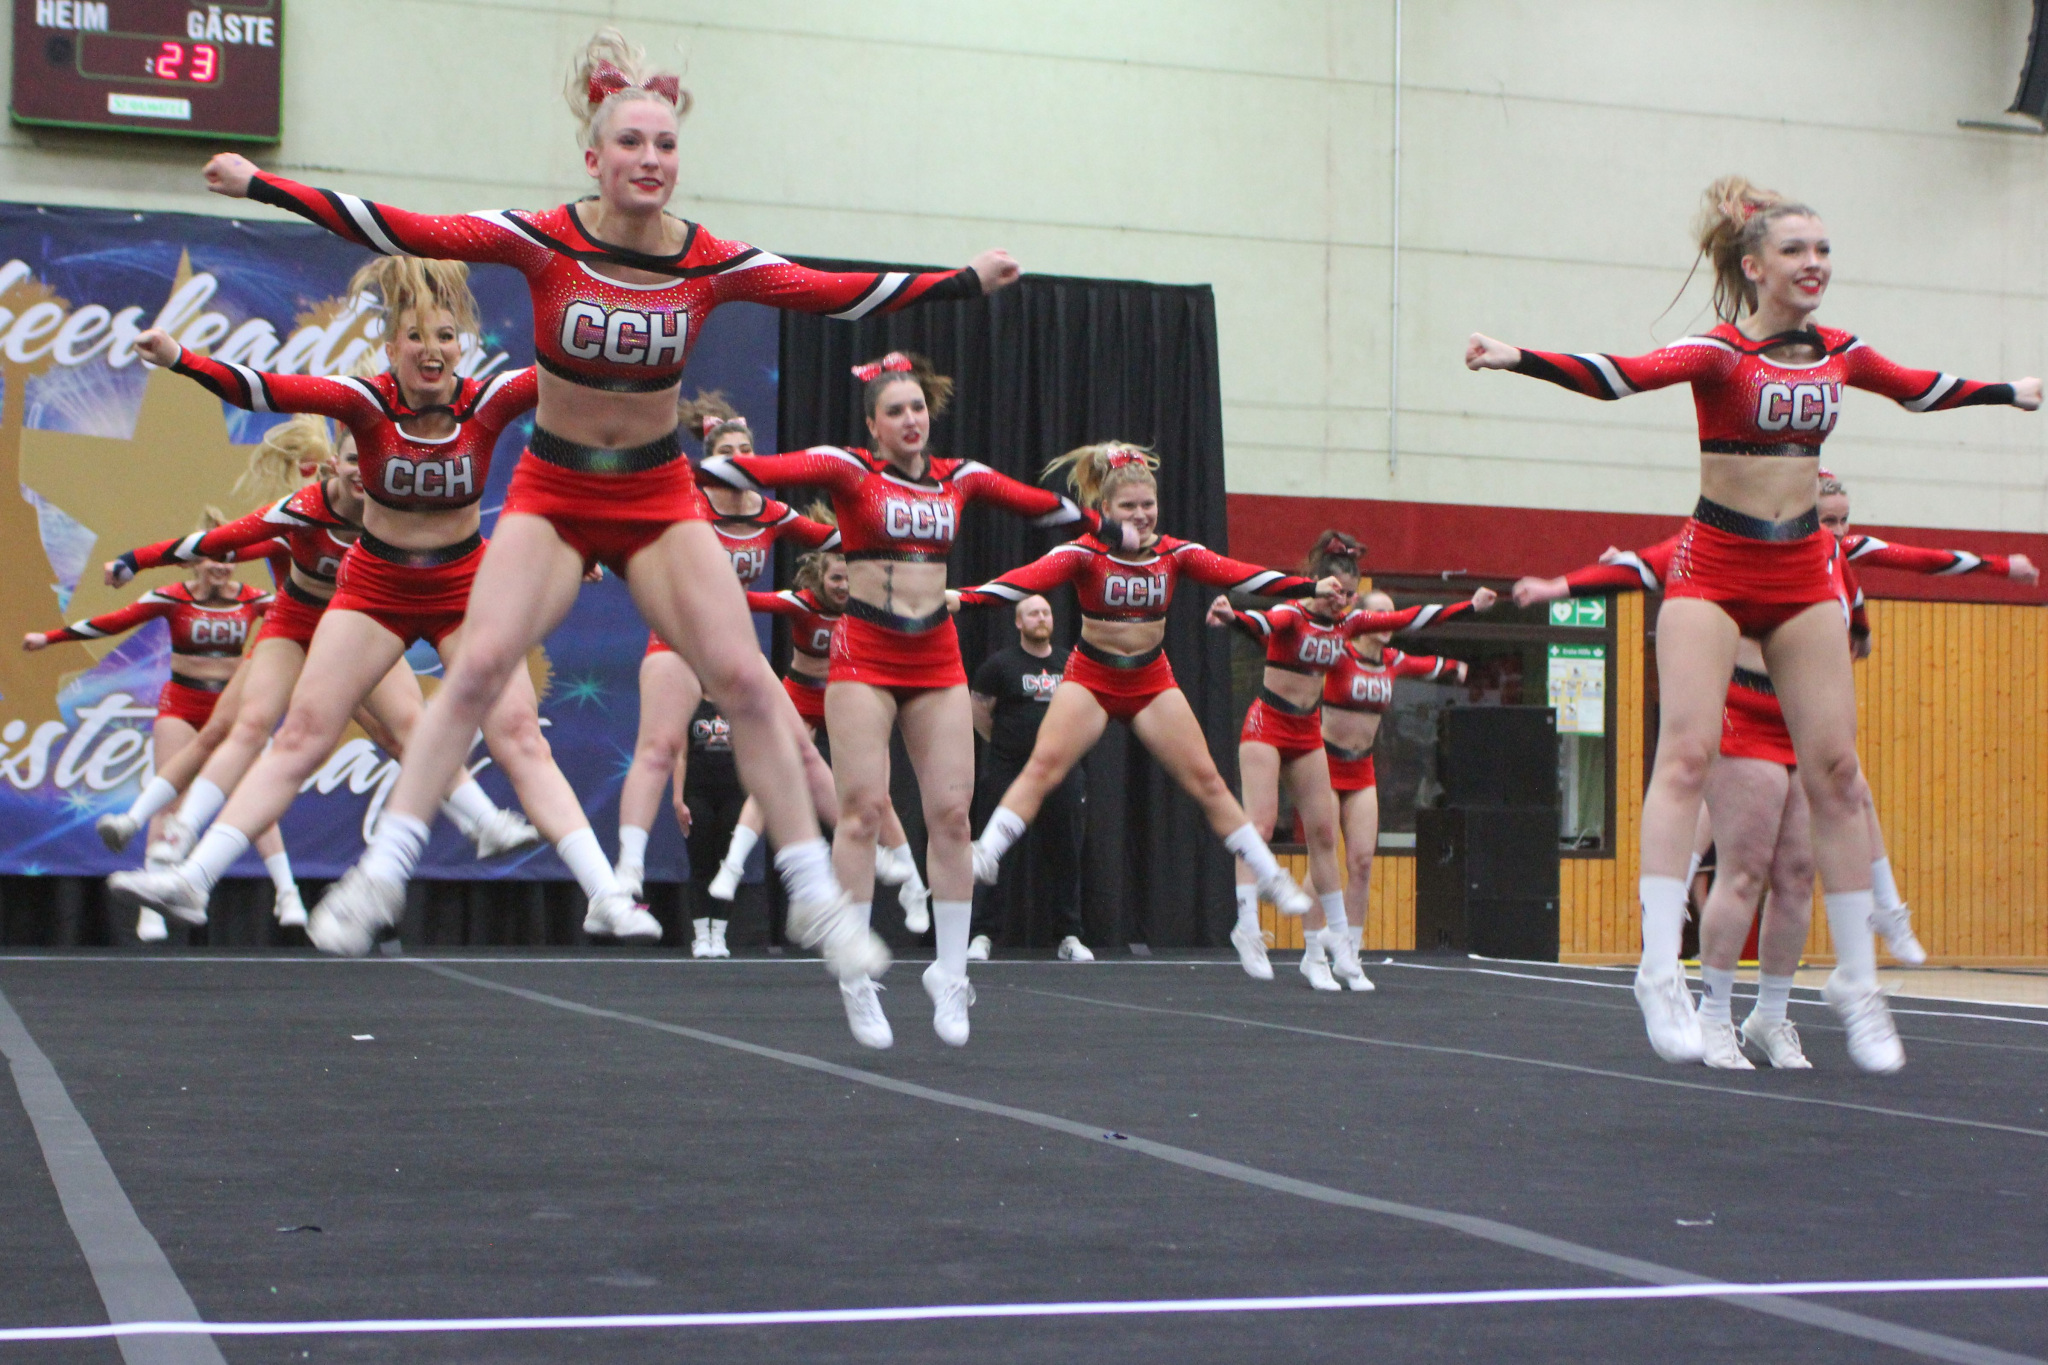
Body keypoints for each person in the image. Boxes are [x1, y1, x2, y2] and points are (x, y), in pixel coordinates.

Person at [208, 30, 1020, 984]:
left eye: (666, 144)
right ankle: (380, 873)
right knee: (478, 670)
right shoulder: (545, 237)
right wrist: (264, 186)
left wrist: (961, 281)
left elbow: (834, 293)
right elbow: (404, 227)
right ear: (593, 158)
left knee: (744, 678)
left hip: (653, 490)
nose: (650, 159)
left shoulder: (708, 258)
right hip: (556, 489)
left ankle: (813, 890)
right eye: (631, 142)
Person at [1466, 174, 2039, 1072]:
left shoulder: (1841, 351)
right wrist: (1518, 357)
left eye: (1824, 250)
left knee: (1840, 772)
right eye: (1795, 250)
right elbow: (1619, 377)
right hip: (1716, 563)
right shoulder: (1719, 352)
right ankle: (1661, 967)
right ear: (1753, 267)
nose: (1815, 264)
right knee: (1685, 755)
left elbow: (1920, 389)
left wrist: (2008, 390)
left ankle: (1857, 980)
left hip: (1800, 567)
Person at [108, 258, 632, 942]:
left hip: (463, 588)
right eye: (415, 337)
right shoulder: (364, 402)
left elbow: (584, 367)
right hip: (376, 588)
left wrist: (634, 297)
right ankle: (192, 878)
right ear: (391, 348)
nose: (431, 351)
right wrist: (180, 358)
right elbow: (265, 389)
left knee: (520, 737)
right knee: (301, 733)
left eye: (445, 336)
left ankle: (606, 893)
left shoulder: (490, 400)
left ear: (462, 347)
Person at [701, 353, 1098, 1049]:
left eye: (917, 407)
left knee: (952, 816)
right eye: (895, 411)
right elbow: (757, 470)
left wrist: (1105, 525)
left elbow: (1039, 505)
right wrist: (678, 471)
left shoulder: (959, 477)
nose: (911, 419)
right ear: (873, 426)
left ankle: (950, 973)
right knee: (861, 812)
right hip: (865, 651)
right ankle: (857, 978)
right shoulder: (848, 469)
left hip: (935, 653)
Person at [953, 442, 1332, 984]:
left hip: (1150, 678)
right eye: (1128, 507)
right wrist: (964, 598)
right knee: (1042, 768)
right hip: (1092, 674)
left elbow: (1242, 576)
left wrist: (1309, 587)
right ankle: (987, 852)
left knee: (1207, 781)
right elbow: (1023, 580)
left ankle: (1267, 873)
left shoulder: (1176, 554)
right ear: (1106, 511)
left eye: (1147, 505)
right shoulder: (1085, 553)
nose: (1140, 516)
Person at [611, 399, 871, 923]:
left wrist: (886, 536)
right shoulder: (687, 500)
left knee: (799, 747)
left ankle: (868, 843)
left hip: (732, 647)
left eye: (746, 450)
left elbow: (831, 538)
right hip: (678, 638)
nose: (738, 458)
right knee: (658, 748)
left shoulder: (767, 510)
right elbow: (625, 513)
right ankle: (626, 874)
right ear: (710, 461)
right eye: (726, 451)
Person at [1212, 532, 1495, 986]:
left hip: (1314, 738)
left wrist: (1469, 607)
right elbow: (1264, 622)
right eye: (1334, 592)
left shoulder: (1350, 627)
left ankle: (1343, 945)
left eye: (1347, 595)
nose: (1339, 602)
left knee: (1330, 841)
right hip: (1270, 723)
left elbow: (1410, 619)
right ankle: (1249, 926)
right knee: (1259, 827)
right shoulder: (1296, 613)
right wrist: (1233, 617)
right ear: (1316, 584)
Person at [21, 512, 302, 938]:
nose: (221, 568)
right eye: (212, 560)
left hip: (230, 707)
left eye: (228, 561)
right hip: (182, 704)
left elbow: (297, 617)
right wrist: (51, 638)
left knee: (255, 798)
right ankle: (151, 909)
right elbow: (115, 620)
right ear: (194, 563)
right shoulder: (171, 598)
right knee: (169, 799)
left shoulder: (253, 599)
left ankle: (287, 893)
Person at [715, 538, 933, 935]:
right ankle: (732, 866)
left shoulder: (868, 607)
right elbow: (754, 601)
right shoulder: (802, 604)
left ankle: (914, 889)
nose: (844, 586)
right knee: (775, 778)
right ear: (820, 577)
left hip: (849, 697)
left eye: (849, 578)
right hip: (801, 696)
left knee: (877, 799)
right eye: (835, 578)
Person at [1312, 591, 1467, 991]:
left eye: (1392, 615)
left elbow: (1428, 665)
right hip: (1324, 765)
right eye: (1379, 614)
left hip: (1361, 769)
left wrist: (1456, 666)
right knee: (1324, 857)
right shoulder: (1339, 654)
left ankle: (1350, 955)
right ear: (1363, 619)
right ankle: (1313, 955)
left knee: (1362, 862)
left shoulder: (1393, 660)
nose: (1387, 621)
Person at [967, 594, 1087, 961]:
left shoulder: (1071, 663)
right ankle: (982, 935)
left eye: (1046, 612)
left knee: (1066, 854)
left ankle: (1069, 936)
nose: (1041, 618)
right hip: (1009, 772)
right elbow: (979, 712)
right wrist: (1009, 743)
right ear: (1019, 623)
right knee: (993, 855)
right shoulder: (999, 665)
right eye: (1033, 613)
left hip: (1061, 773)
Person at [674, 699, 745, 957]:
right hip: (697, 794)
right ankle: (702, 937)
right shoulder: (691, 706)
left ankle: (719, 936)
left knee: (728, 865)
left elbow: (750, 754)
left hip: (733, 795)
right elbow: (681, 756)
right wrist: (678, 799)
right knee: (701, 865)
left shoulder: (736, 704)